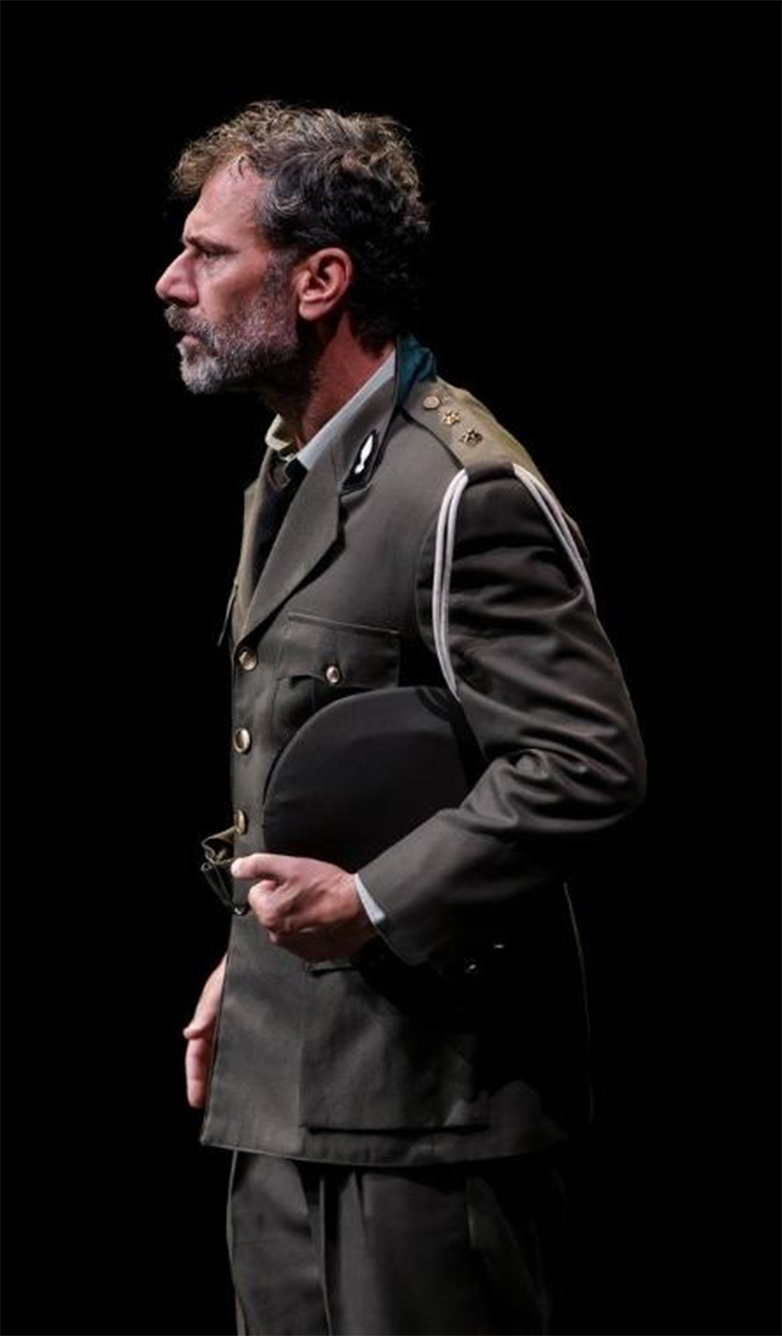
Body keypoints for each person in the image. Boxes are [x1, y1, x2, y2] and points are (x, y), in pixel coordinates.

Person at [155, 100, 647, 1336]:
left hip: (425, 1122)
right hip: (283, 1095)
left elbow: (584, 761)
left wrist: (369, 905)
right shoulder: (289, 467)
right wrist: (252, 966)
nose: (172, 281)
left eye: (209, 253)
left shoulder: (459, 491)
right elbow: (328, 781)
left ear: (319, 280)